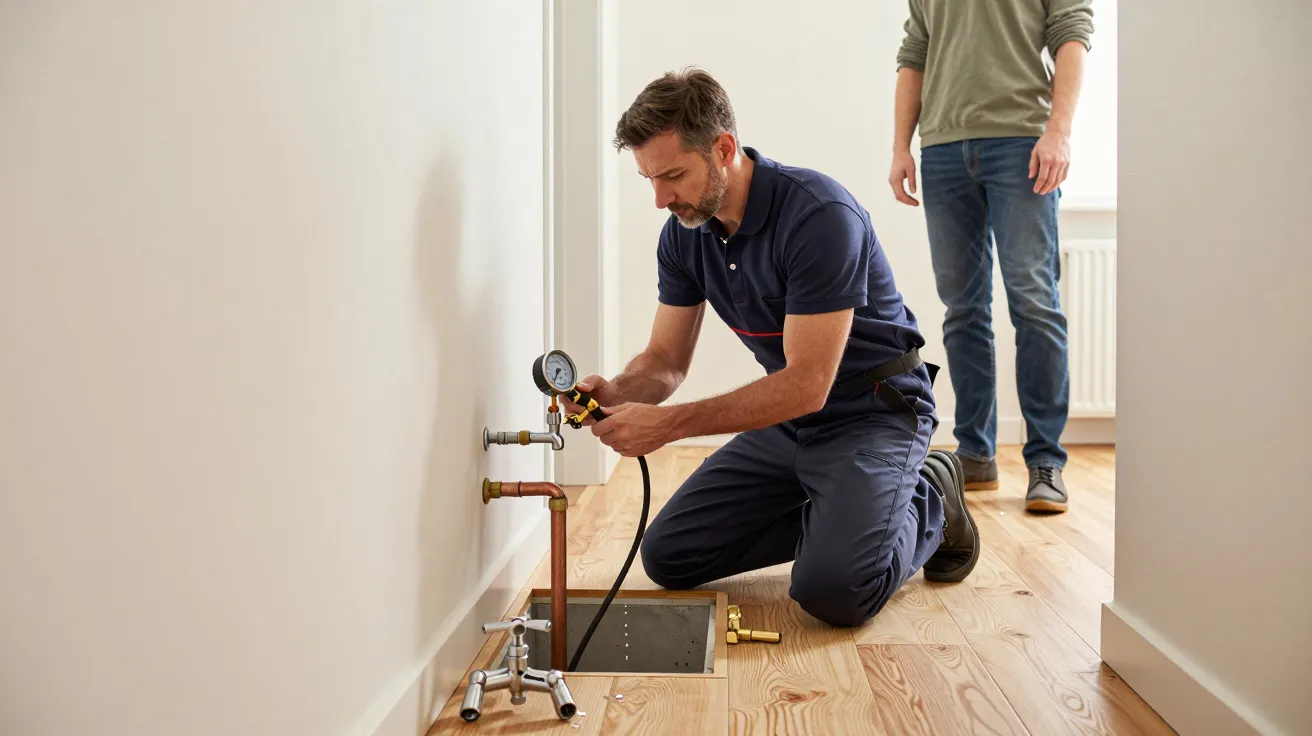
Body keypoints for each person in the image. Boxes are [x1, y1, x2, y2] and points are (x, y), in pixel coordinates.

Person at [562, 68, 980, 628]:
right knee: (670, 556)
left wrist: (668, 427)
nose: (661, 199)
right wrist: (615, 391)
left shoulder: (819, 217)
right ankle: (849, 517)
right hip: (792, 420)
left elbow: (808, 384)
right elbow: (664, 363)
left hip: (875, 413)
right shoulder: (686, 233)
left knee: (835, 592)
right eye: (649, 180)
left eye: (673, 176)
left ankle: (931, 493)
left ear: (724, 148)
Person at [888, 0, 1094, 514]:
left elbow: (1073, 32)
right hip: (942, 149)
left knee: (1034, 304)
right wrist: (901, 146)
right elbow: (916, 50)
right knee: (963, 309)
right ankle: (976, 452)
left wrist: (1060, 131)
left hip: (1023, 141)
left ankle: (1046, 460)